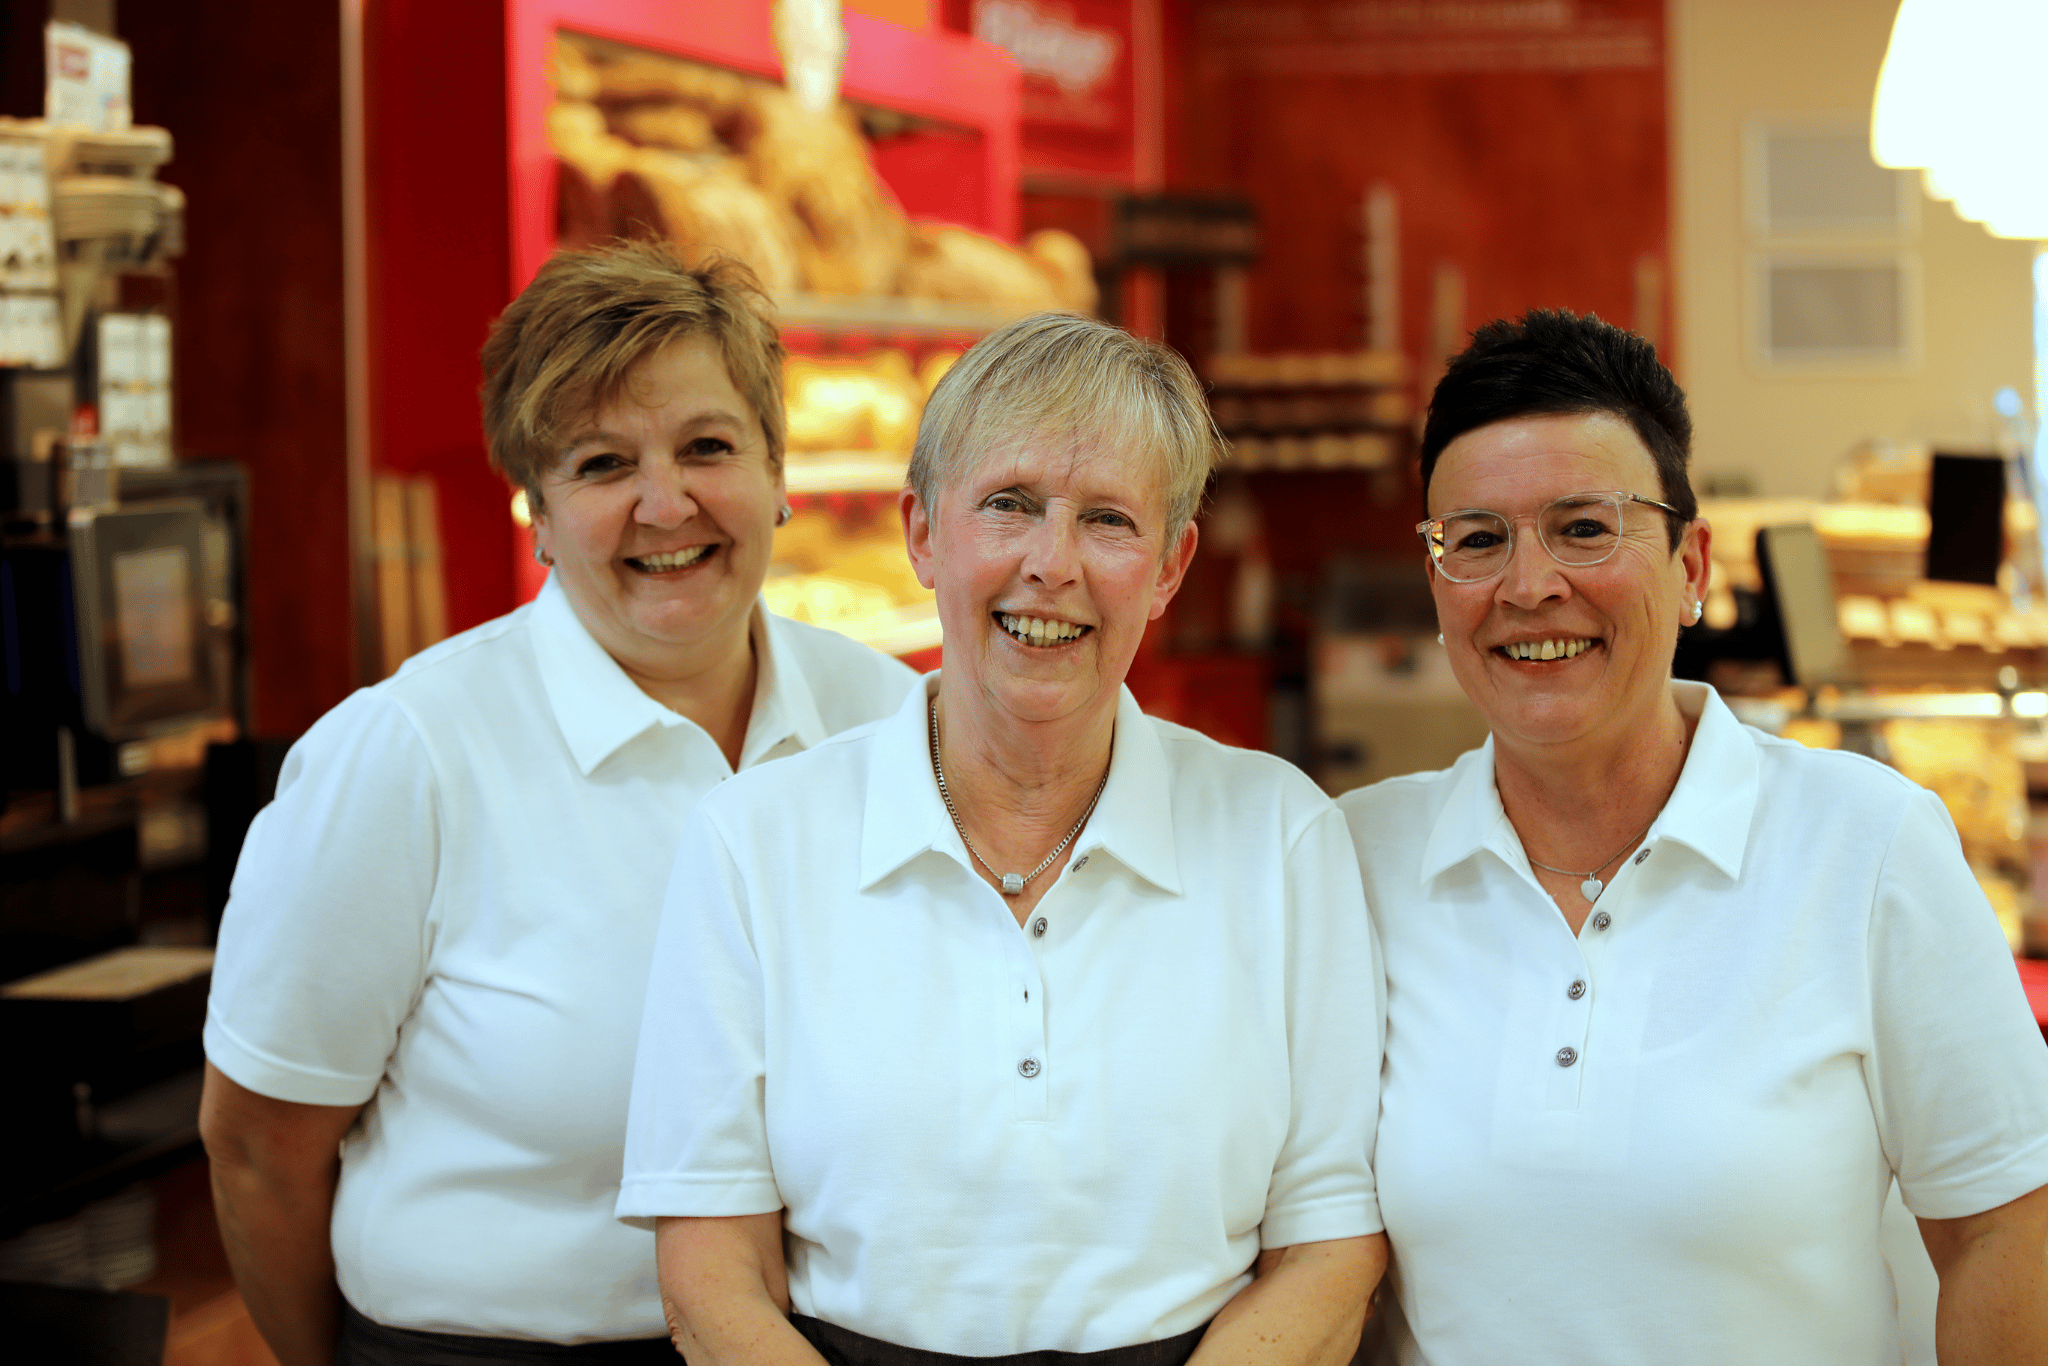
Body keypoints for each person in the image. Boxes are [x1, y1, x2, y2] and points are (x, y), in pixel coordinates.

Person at [618, 312, 1386, 1366]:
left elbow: (1328, 1246)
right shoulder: (754, 842)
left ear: (1169, 566)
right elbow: (709, 1268)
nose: (1050, 564)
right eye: (1008, 506)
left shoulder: (1281, 835)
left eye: (1108, 521)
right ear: (923, 534)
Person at [199, 242, 918, 1365]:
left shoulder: (886, 719)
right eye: (599, 464)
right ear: (534, 508)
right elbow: (255, 1146)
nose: (664, 502)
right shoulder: (407, 754)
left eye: (707, 447)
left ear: (780, 471)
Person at [1338, 308, 2048, 1365]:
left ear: (1690, 567)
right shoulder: (1352, 860)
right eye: (1476, 538)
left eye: (1583, 527)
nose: (1527, 586)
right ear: (1437, 581)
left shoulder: (1868, 842)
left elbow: (2000, 1230)